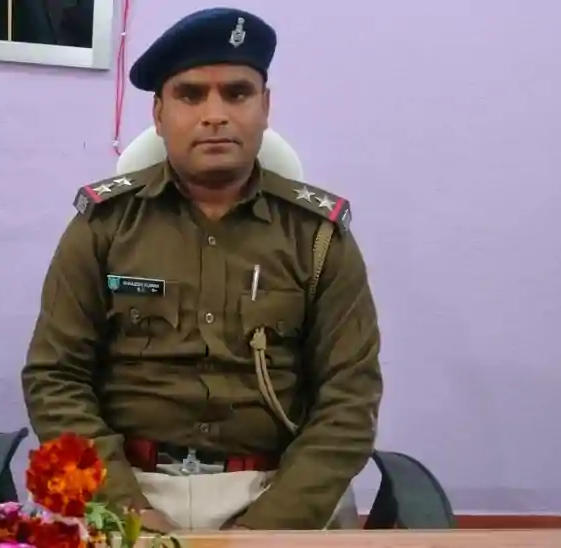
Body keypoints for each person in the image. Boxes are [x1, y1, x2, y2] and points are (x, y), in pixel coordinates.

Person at [22, 7, 383, 532]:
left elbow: (350, 399)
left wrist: (268, 527)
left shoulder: (319, 238)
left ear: (265, 107)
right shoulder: (103, 228)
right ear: (159, 114)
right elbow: (55, 379)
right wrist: (126, 511)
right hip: (123, 484)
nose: (215, 115)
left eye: (237, 94)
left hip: (272, 490)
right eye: (190, 95)